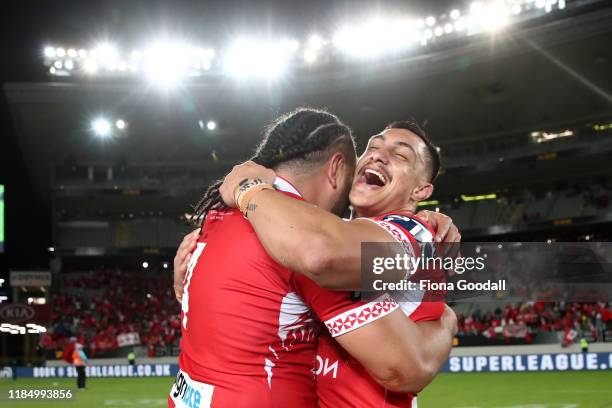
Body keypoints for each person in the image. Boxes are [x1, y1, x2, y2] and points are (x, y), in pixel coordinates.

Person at [171, 109, 459, 408]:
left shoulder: (408, 232)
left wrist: (249, 189)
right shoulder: (312, 233)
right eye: (372, 148)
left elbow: (407, 368)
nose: (377, 156)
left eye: (401, 156)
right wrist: (185, 286)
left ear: (421, 190)